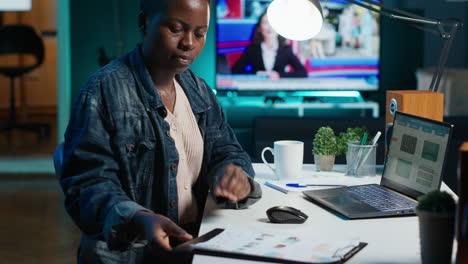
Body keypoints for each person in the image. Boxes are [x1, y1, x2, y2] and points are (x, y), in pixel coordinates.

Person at [59, 0, 262, 263]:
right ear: (144, 23)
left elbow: (226, 149)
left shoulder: (199, 90)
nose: (189, 43)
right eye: (176, 29)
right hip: (131, 255)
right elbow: (86, 185)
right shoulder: (101, 92)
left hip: (194, 245)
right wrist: (138, 218)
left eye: (200, 33)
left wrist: (234, 172)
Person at [231, 11, 307, 79]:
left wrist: (279, 75)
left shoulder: (285, 49)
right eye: (265, 23)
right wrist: (256, 75)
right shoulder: (253, 49)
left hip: (279, 91)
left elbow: (302, 73)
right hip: (257, 89)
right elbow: (235, 70)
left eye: (273, 23)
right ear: (259, 28)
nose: (270, 27)